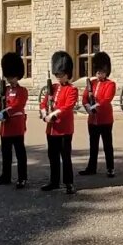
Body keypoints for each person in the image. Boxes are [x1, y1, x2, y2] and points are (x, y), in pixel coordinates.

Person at [39, 51, 78, 194]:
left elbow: (68, 106)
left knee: (65, 157)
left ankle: (69, 183)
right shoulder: (53, 88)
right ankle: (54, 181)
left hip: (64, 129)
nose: (59, 78)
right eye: (57, 75)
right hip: (51, 129)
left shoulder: (72, 89)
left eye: (61, 75)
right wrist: (44, 113)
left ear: (67, 74)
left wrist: (54, 114)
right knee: (53, 156)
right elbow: (43, 103)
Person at [0, 52, 29, 188]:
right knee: (6, 154)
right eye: (8, 77)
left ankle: (22, 178)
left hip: (16, 126)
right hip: (5, 127)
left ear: (17, 76)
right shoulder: (4, 90)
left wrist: (5, 113)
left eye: (12, 77)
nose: (10, 80)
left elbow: (18, 105)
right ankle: (5, 176)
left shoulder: (22, 90)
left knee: (20, 154)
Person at [79, 51, 116, 178]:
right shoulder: (92, 83)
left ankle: (110, 168)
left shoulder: (110, 84)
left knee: (107, 145)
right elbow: (84, 97)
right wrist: (87, 106)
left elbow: (107, 99)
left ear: (106, 72)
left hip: (105, 119)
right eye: (98, 71)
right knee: (93, 145)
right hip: (92, 120)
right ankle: (91, 167)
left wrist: (95, 106)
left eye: (102, 72)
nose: (99, 74)